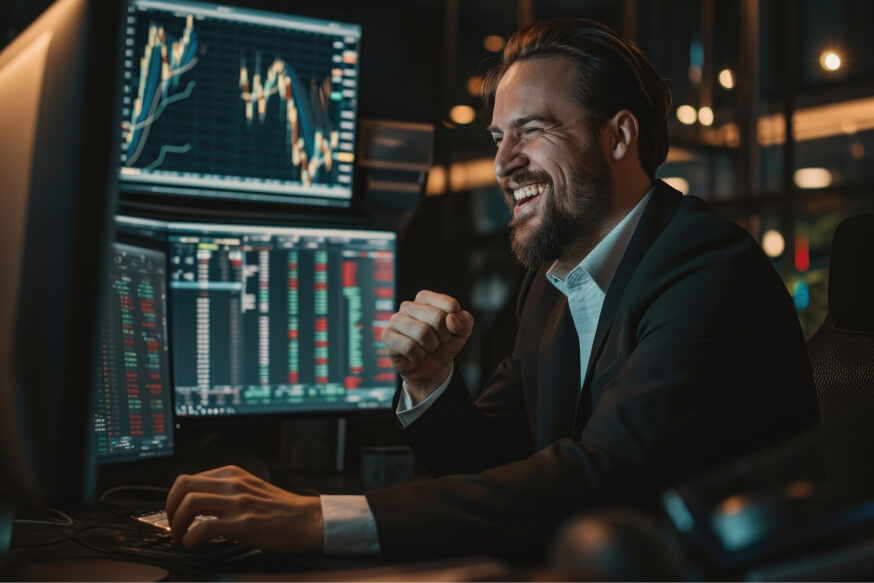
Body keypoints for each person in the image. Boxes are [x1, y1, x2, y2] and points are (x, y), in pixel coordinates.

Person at [164, 18, 819, 562]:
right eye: (497, 137)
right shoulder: (553, 283)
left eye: (531, 130)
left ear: (619, 137)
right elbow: (490, 460)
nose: (504, 162)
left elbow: (608, 476)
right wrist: (429, 381)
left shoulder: (705, 266)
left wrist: (317, 518)